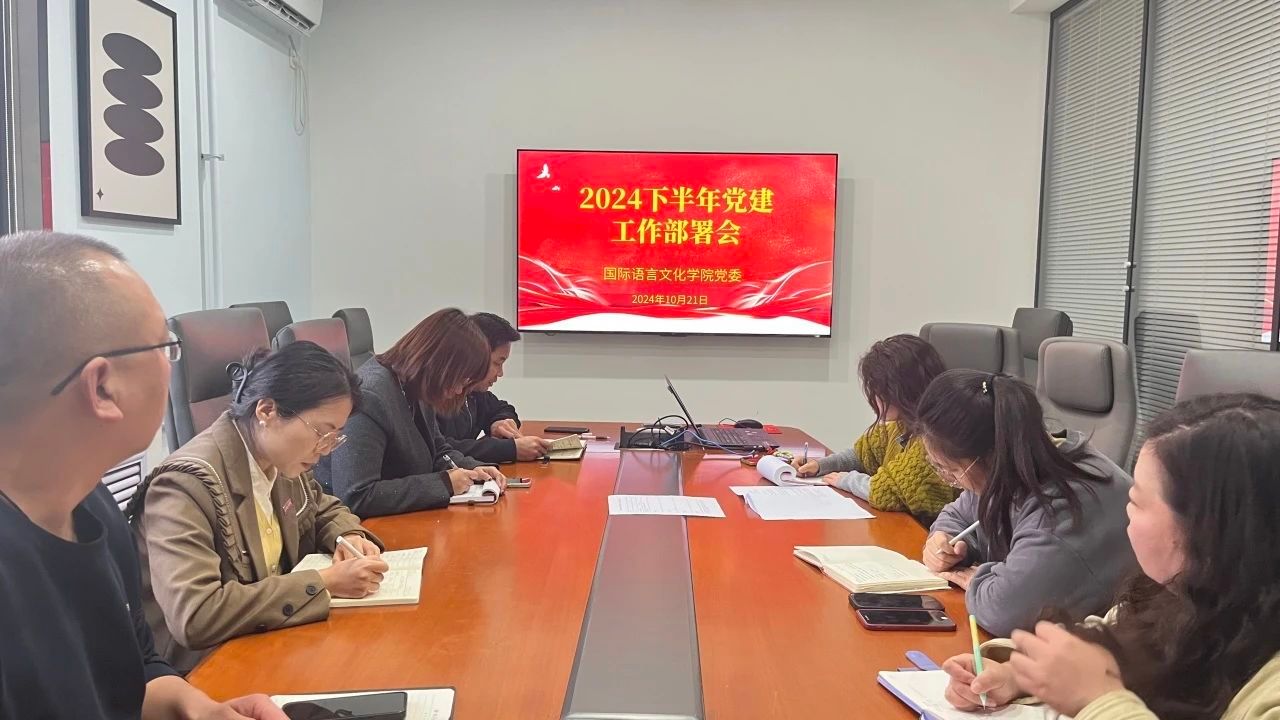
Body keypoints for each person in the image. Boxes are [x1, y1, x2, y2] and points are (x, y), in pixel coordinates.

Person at [0, 231, 284, 718]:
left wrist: (199, 709)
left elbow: (135, 673)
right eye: (164, 346)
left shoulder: (91, 502)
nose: (171, 364)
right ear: (103, 387)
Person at [941, 393, 1280, 720]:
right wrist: (1018, 674)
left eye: (1137, 500)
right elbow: (1108, 639)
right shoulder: (1174, 597)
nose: (1125, 510)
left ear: (1206, 529)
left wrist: (1098, 701)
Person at [131, 342, 389, 673]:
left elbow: (322, 508)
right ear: (267, 410)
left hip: (269, 642)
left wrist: (348, 537)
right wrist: (324, 582)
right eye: (321, 433)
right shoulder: (184, 485)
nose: (325, 450)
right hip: (208, 670)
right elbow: (196, 615)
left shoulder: (279, 459)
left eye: (335, 437)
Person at [917, 370, 1135, 637]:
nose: (951, 481)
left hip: (1118, 649)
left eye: (951, 470)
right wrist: (943, 538)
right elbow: (958, 513)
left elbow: (1005, 612)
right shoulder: (1014, 463)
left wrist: (978, 581)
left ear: (990, 456)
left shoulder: (1063, 509)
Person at [318, 308, 506, 517]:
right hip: (355, 527)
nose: (459, 390)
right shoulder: (370, 396)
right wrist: (444, 483)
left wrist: (473, 469)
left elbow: (438, 449)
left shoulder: (415, 384)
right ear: (440, 364)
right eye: (460, 379)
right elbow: (356, 496)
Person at [791, 334, 957, 521]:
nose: (875, 399)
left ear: (901, 391)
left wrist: (845, 480)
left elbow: (886, 492)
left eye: (878, 391)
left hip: (925, 532)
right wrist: (821, 465)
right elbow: (861, 455)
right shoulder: (900, 424)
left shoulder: (934, 440)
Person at [436, 312, 550, 463]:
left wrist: (500, 423)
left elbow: (502, 408)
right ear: (476, 355)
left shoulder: (474, 393)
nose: (500, 373)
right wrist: (510, 449)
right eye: (497, 363)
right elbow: (440, 448)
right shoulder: (430, 396)